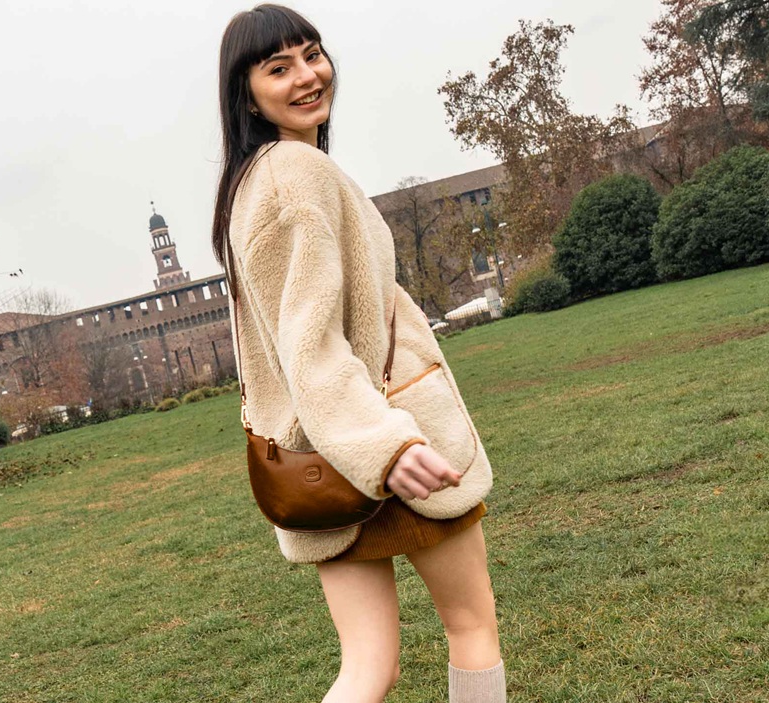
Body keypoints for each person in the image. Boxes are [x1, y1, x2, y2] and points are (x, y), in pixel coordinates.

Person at [211, 5, 506, 702]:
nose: (306, 76)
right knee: (471, 629)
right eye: (278, 67)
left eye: (312, 54)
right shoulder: (293, 174)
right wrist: (386, 446)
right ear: (245, 94)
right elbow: (308, 344)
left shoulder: (254, 183)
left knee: (369, 667)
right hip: (386, 439)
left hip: (322, 461)